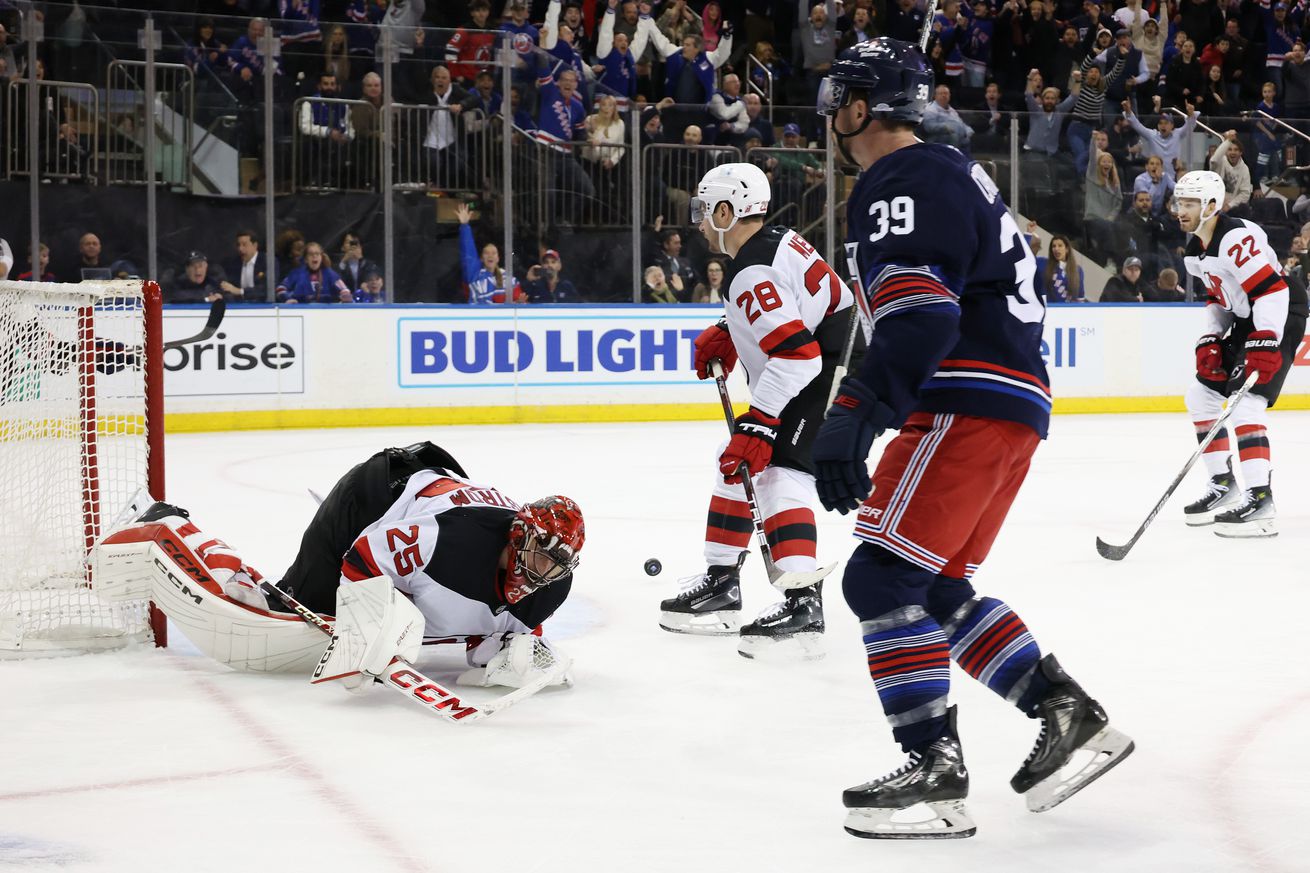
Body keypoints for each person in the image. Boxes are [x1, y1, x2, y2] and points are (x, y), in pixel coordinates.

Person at [813, 37, 1134, 839]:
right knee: (934, 585)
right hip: (1007, 404)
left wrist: (859, 402)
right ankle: (1067, 712)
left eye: (838, 97)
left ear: (861, 108)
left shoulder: (903, 175)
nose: (829, 113)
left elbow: (924, 313)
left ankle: (933, 769)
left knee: (879, 580)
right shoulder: (948, 171)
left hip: (964, 398)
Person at [96, 442, 582, 691]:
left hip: (428, 488)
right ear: (519, 535)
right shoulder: (452, 542)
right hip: (374, 498)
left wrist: (511, 659)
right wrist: (364, 634)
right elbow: (364, 554)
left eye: (558, 562)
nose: (546, 570)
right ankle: (168, 525)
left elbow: (494, 635)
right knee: (279, 608)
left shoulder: (550, 588)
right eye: (541, 551)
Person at [659, 162, 861, 660]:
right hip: (833, 356)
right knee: (739, 464)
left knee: (779, 473)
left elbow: (798, 354)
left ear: (726, 212)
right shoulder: (771, 242)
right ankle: (721, 584)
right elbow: (795, 306)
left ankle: (803, 605)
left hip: (829, 368)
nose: (700, 221)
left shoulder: (750, 268)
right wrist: (729, 331)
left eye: (706, 211)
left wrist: (762, 420)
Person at [1175, 170, 1308, 536]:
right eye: (1179, 202)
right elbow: (1218, 299)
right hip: (1251, 316)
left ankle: (1260, 500)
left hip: (1281, 309)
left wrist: (1266, 339)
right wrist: (1211, 339)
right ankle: (1223, 485)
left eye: (1189, 203)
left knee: (1246, 404)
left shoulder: (1234, 238)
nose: (1180, 210)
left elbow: (1273, 290)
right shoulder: (1194, 252)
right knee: (1199, 397)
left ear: (1212, 205)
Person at [455, 202, 520, 304]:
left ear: (498, 258)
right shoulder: (474, 274)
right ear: (481, 258)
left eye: (493, 253)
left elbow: (518, 301)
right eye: (486, 253)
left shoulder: (508, 279)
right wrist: (465, 226)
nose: (490, 255)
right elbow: (468, 253)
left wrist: (519, 304)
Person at [1122, 100, 1198, 170]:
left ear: (1172, 125)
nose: (1163, 126)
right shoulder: (1152, 135)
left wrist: (1191, 114)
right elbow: (1137, 125)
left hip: (1173, 176)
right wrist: (1128, 111)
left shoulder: (1177, 134)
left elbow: (1189, 126)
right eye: (1160, 123)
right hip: (1155, 175)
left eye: (1166, 123)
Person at [276, 242, 351, 303]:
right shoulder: (297, 273)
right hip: (301, 313)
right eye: (311, 254)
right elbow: (280, 288)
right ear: (305, 259)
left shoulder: (329, 274)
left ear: (321, 257)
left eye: (317, 254)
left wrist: (345, 297)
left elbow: (344, 290)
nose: (314, 256)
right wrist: (287, 299)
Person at [220, 230, 277, 302]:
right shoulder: (233, 264)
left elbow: (268, 288)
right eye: (238, 245)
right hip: (239, 307)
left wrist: (240, 291)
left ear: (255, 245)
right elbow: (229, 286)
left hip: (263, 306)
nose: (240, 249)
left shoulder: (268, 261)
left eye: (244, 244)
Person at [1208, 130, 1251, 216]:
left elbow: (1245, 193)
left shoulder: (1244, 169)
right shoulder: (1221, 162)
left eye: (1236, 150)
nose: (1233, 152)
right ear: (1226, 152)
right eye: (1230, 149)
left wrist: (1230, 205)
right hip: (1213, 205)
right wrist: (1228, 141)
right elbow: (1213, 160)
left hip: (1232, 210)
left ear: (1240, 153)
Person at [1035, 234, 1085, 302]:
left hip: (1063, 311)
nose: (1056, 249)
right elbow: (1025, 257)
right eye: (1054, 246)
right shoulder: (1043, 263)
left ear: (1067, 249)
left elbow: (1080, 299)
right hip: (1045, 309)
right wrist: (1028, 234)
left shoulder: (1078, 270)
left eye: (1060, 245)